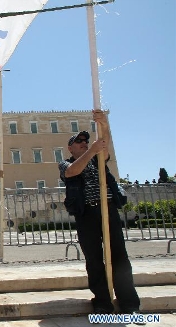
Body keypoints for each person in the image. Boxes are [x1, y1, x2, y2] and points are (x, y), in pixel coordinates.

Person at [58, 110, 140, 315]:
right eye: (79, 142)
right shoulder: (66, 163)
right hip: (86, 214)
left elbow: (104, 145)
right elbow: (73, 172)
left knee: (119, 256)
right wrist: (91, 151)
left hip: (107, 210)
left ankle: (129, 303)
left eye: (86, 141)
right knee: (94, 259)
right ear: (71, 147)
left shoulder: (97, 159)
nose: (84, 143)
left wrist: (104, 124)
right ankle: (102, 301)